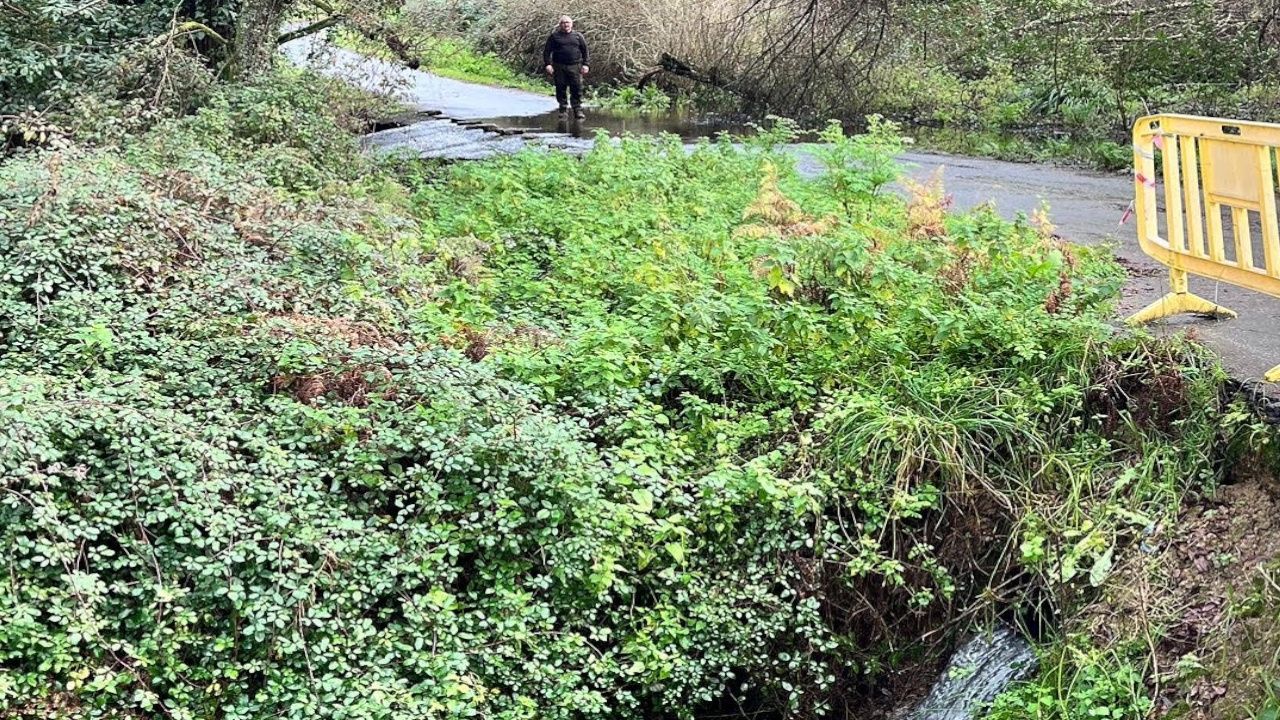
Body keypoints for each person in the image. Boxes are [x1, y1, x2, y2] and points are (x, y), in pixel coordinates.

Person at [543, 15, 589, 119]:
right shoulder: (554, 37)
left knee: (576, 88)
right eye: (563, 23)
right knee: (560, 88)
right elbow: (547, 51)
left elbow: (585, 51)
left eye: (567, 22)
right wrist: (548, 64)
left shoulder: (578, 36)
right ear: (560, 25)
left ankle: (577, 110)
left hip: (575, 66)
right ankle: (563, 110)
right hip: (559, 66)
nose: (566, 25)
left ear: (571, 24)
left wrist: (586, 64)